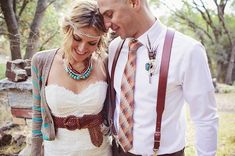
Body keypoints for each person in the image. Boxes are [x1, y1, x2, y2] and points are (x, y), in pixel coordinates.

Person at [97, 0, 218, 156]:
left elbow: (205, 118)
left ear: (134, 3)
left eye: (109, 14)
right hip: (118, 151)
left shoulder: (187, 50)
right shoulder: (115, 48)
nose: (106, 24)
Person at [31, 0, 112, 155]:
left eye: (92, 42)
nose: (82, 48)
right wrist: (34, 152)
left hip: (99, 150)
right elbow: (37, 114)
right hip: (57, 150)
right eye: (77, 38)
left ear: (100, 40)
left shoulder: (106, 63)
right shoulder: (41, 62)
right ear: (67, 29)